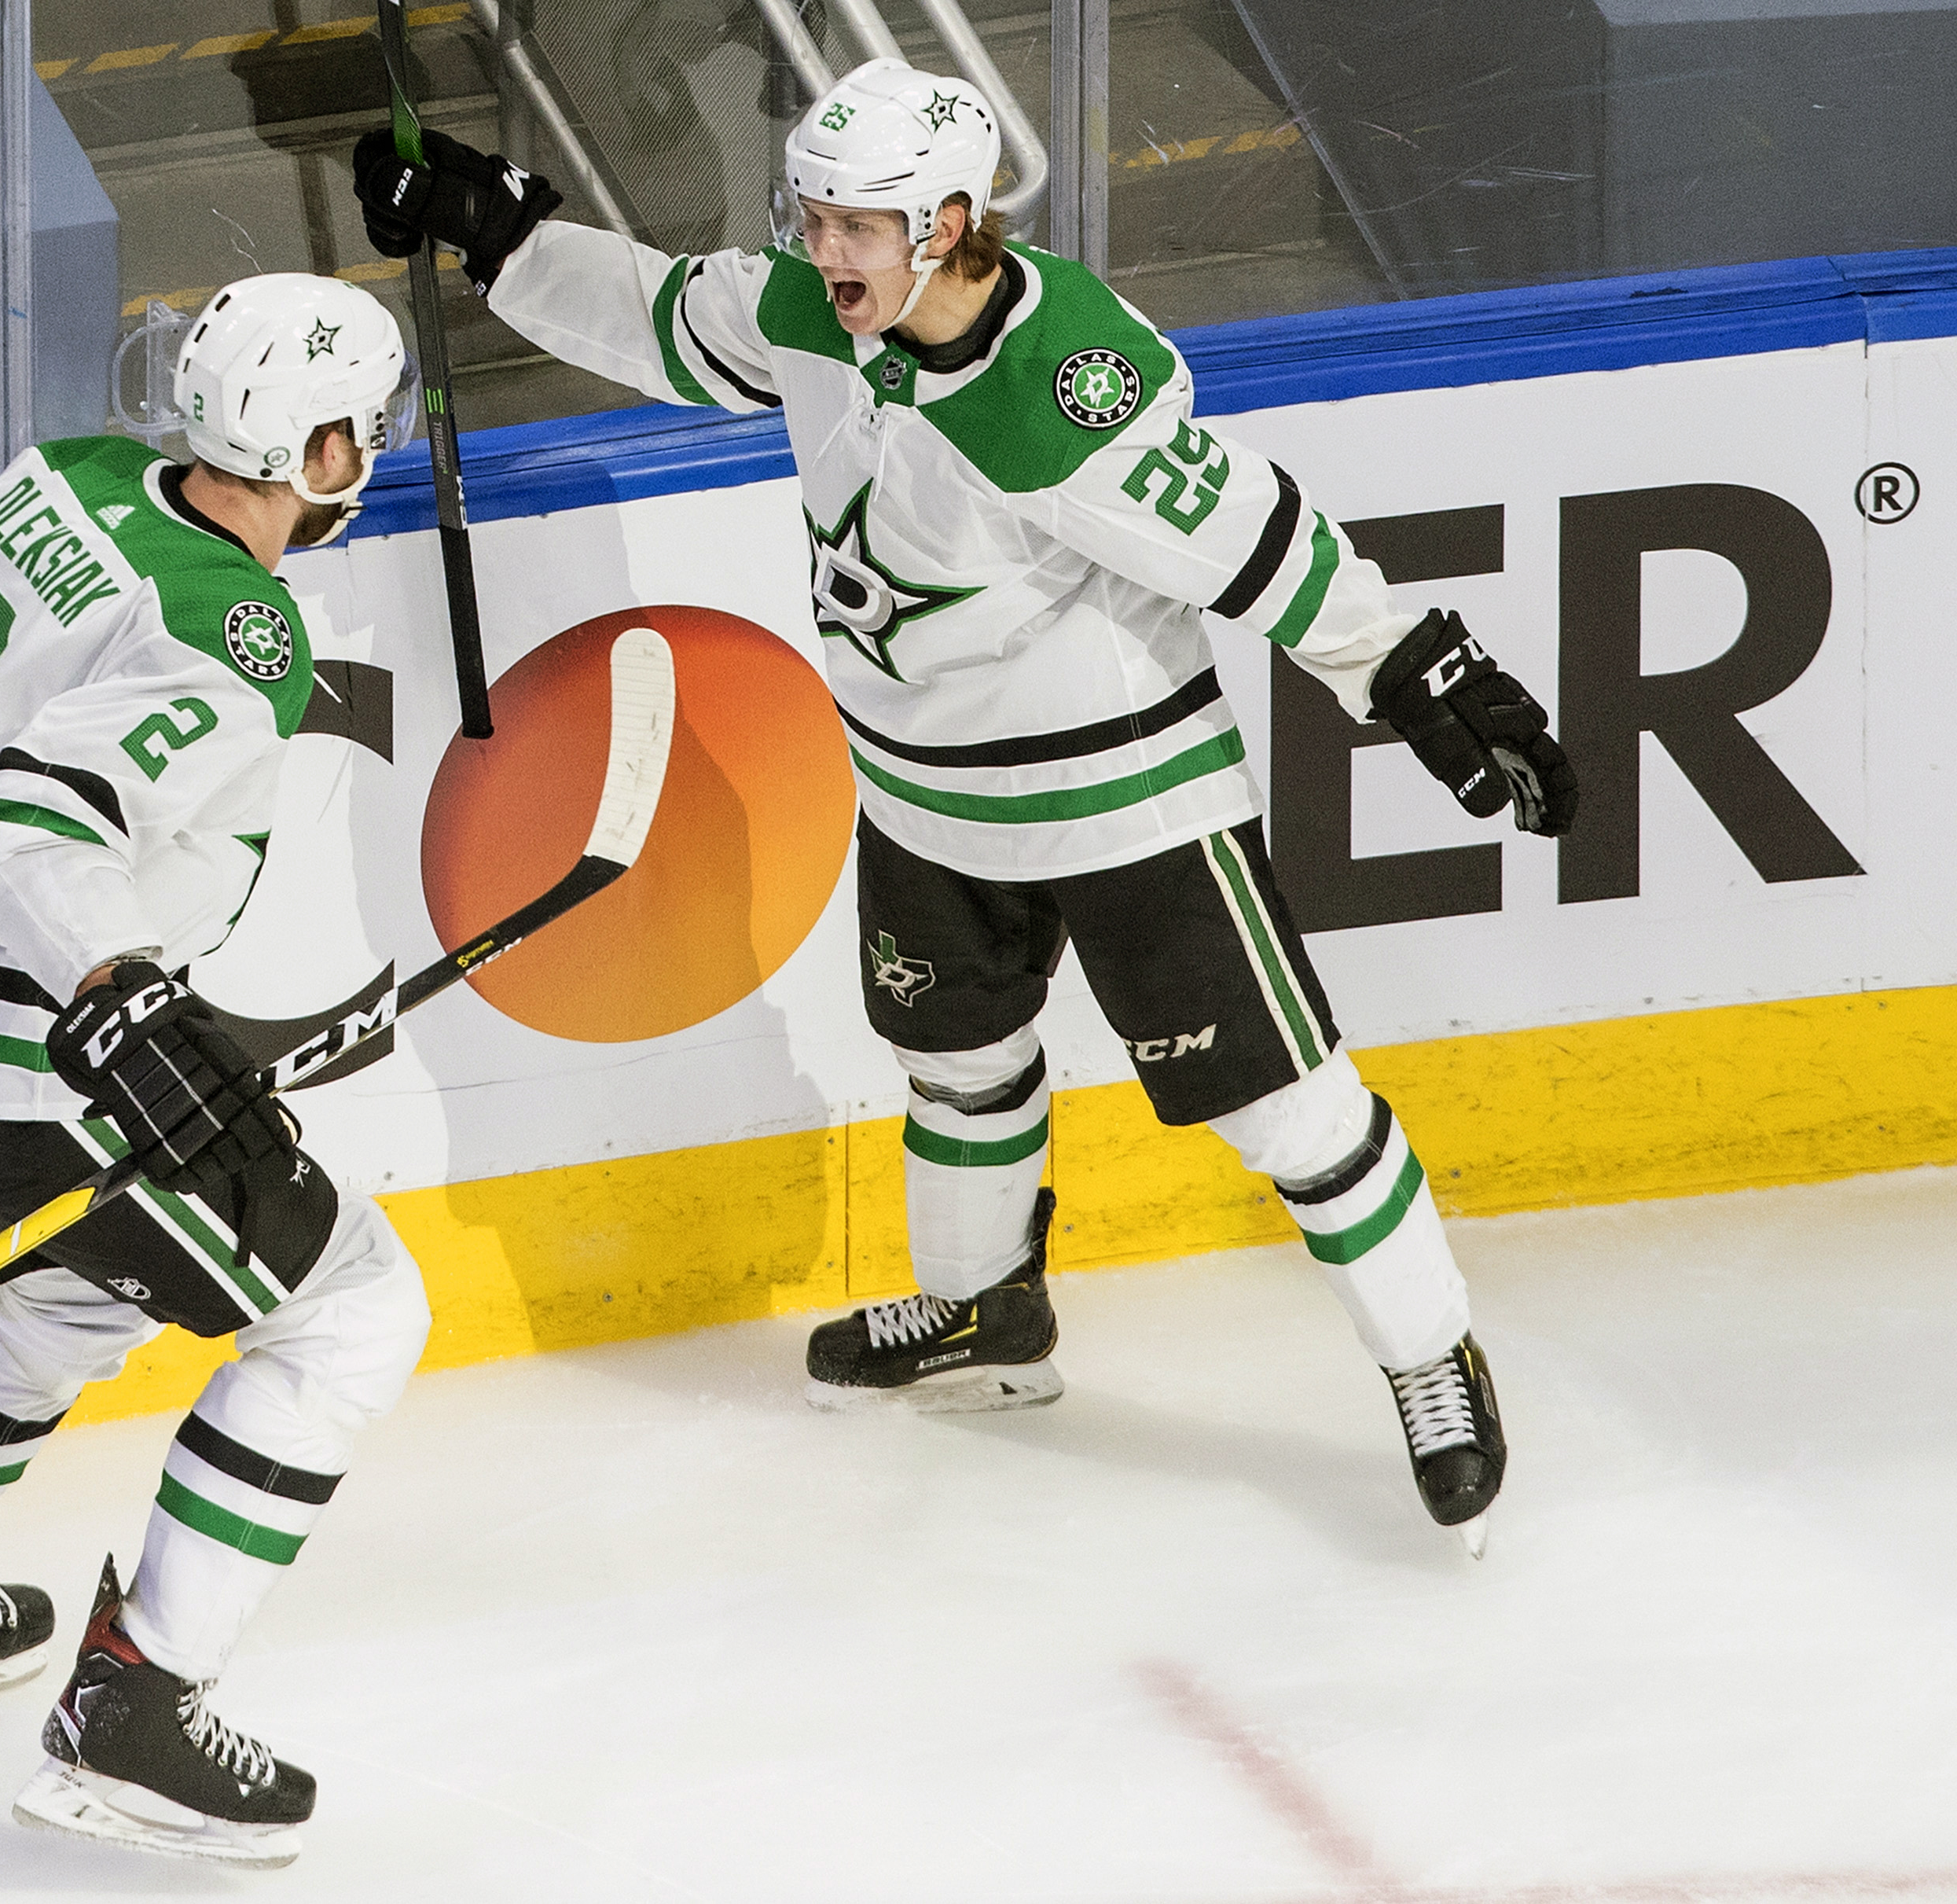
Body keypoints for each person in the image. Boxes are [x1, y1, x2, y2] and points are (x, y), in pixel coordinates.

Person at [350, 60, 1575, 1547]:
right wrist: (499, 229)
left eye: (859, 225)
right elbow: (672, 316)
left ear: (946, 223)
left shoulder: (1062, 388)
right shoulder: (817, 310)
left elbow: (1257, 542)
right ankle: (988, 1318)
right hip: (925, 801)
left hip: (1129, 805)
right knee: (959, 1067)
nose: (825, 249)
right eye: (813, 216)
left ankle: (1428, 1352)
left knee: (1290, 1112)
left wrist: (1421, 672)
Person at [0, 272, 431, 1868]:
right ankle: (136, 1704)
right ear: (322, 448)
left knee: (78, 1278)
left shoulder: (63, 480)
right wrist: (121, 991)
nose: (371, 454)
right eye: (360, 431)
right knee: (349, 1304)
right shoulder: (238, 628)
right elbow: (28, 832)